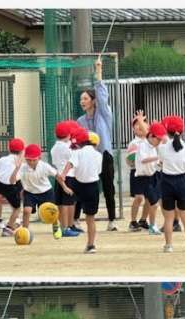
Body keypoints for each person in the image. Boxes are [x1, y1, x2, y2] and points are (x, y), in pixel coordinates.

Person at [77, 57, 118, 231]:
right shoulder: (80, 121)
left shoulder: (104, 114)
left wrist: (98, 71)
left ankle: (112, 220)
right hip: (87, 157)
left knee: (108, 188)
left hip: (104, 155)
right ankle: (76, 219)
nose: (82, 101)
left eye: (85, 98)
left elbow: (102, 94)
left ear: (93, 101)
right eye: (81, 99)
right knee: (83, 186)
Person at [12, 143, 70, 239]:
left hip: (46, 192)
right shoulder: (22, 168)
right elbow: (12, 180)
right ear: (25, 159)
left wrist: (65, 187)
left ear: (39, 158)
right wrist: (16, 168)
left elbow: (57, 176)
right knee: (26, 211)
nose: (31, 162)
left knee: (52, 212)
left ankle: (55, 226)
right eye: (28, 160)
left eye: (34, 160)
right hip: (30, 193)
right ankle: (25, 232)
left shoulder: (45, 166)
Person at [61, 127, 103, 254]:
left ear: (78, 143)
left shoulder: (77, 152)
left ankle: (68, 224)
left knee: (67, 203)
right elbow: (99, 171)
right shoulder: (98, 155)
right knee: (90, 218)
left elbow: (70, 164)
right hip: (93, 186)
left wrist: (63, 174)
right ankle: (91, 245)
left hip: (78, 185)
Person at [158, 115, 185, 253]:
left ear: (167, 131)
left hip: (167, 181)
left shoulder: (162, 148)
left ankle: (168, 245)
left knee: (169, 217)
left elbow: (161, 161)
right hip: (183, 181)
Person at [0, 137, 25, 237]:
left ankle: (12, 220)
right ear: (22, 151)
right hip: (9, 184)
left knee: (10, 199)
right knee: (17, 208)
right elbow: (14, 180)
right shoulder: (19, 162)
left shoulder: (2, 159)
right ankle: (9, 228)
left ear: (9, 149)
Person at [134, 122, 167, 236]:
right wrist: (158, 157)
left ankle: (151, 224)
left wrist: (160, 163)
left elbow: (154, 164)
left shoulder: (153, 147)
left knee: (155, 202)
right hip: (143, 178)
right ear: (151, 136)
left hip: (153, 176)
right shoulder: (143, 145)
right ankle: (152, 226)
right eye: (158, 139)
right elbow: (143, 160)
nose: (159, 142)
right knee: (154, 203)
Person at [50, 121, 80, 237]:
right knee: (68, 203)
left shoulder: (54, 148)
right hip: (69, 176)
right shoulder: (68, 147)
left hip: (58, 177)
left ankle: (64, 226)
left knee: (61, 203)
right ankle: (67, 227)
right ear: (68, 135)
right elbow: (72, 161)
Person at [127, 111, 149, 231]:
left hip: (149, 173)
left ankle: (143, 220)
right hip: (137, 173)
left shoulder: (150, 141)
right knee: (139, 197)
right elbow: (130, 160)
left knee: (150, 198)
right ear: (133, 129)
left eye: (142, 123)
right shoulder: (133, 143)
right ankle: (133, 221)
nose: (140, 126)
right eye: (136, 124)